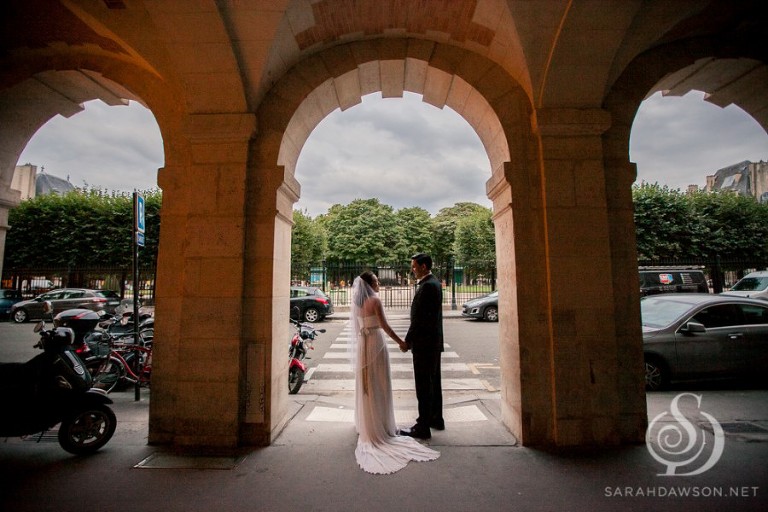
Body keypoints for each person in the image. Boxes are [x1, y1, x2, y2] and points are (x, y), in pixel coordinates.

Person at [350, 271, 440, 474]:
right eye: (376, 280)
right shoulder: (375, 300)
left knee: (366, 386)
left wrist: (362, 343)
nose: (379, 282)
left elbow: (356, 329)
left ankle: (366, 423)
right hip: (375, 343)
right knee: (380, 384)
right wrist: (402, 342)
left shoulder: (357, 303)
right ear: (371, 284)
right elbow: (385, 326)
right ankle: (381, 425)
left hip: (363, 345)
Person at [399, 253, 444, 440]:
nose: (412, 269)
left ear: (424, 266)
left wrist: (408, 340)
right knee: (434, 383)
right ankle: (435, 419)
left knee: (424, 385)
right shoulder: (433, 283)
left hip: (425, 343)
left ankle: (422, 426)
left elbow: (420, 319)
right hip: (432, 342)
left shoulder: (427, 286)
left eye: (415, 266)